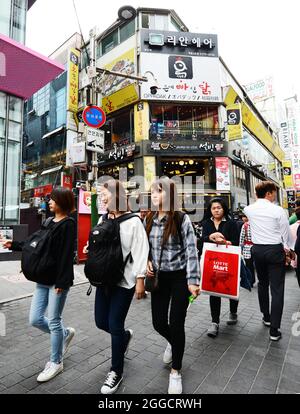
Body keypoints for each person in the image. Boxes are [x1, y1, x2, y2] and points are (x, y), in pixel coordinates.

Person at [0, 187, 76, 382]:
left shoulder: (68, 224)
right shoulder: (49, 221)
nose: (49, 202)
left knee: (53, 320)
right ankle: (65, 334)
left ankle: (56, 362)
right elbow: (36, 244)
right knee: (35, 319)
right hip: (42, 279)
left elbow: (66, 255)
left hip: (57, 282)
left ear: (62, 202)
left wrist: (62, 282)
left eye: (52, 199)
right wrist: (14, 245)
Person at [93, 180, 149, 395]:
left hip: (124, 282)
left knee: (114, 324)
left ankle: (116, 371)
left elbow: (140, 251)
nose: (102, 198)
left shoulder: (134, 221)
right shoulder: (103, 218)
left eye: (105, 194)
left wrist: (141, 280)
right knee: (101, 322)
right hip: (104, 279)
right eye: (101, 195)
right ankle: (124, 337)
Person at [145, 178, 200, 394]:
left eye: (158, 192)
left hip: (179, 278)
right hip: (159, 278)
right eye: (152, 192)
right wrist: (147, 261)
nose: (154, 196)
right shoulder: (149, 218)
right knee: (158, 322)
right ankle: (174, 343)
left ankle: (175, 372)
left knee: (176, 323)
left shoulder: (180, 218)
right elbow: (144, 247)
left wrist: (193, 281)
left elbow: (191, 250)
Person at [244, 181, 294, 341]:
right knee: (277, 289)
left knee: (262, 284)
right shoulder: (278, 210)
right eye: (274, 193)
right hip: (274, 250)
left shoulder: (248, 209)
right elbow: (285, 233)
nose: (274, 196)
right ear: (269, 193)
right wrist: (289, 249)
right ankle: (274, 329)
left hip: (257, 250)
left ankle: (266, 316)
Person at [201, 198, 240, 338]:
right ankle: (214, 322)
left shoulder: (231, 223)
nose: (216, 210)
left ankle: (233, 312)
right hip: (212, 261)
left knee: (230, 286)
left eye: (219, 207)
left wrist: (227, 242)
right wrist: (210, 237)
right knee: (214, 290)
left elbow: (236, 242)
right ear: (210, 210)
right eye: (213, 208)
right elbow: (202, 240)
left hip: (229, 260)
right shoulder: (206, 223)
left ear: (224, 209)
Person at [239, 212, 255, 287]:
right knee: (258, 265)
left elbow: (241, 238)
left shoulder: (244, 225)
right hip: (256, 247)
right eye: (243, 217)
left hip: (247, 248)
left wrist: (240, 249)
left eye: (245, 216)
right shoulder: (256, 224)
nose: (243, 218)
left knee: (249, 265)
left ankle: (251, 281)